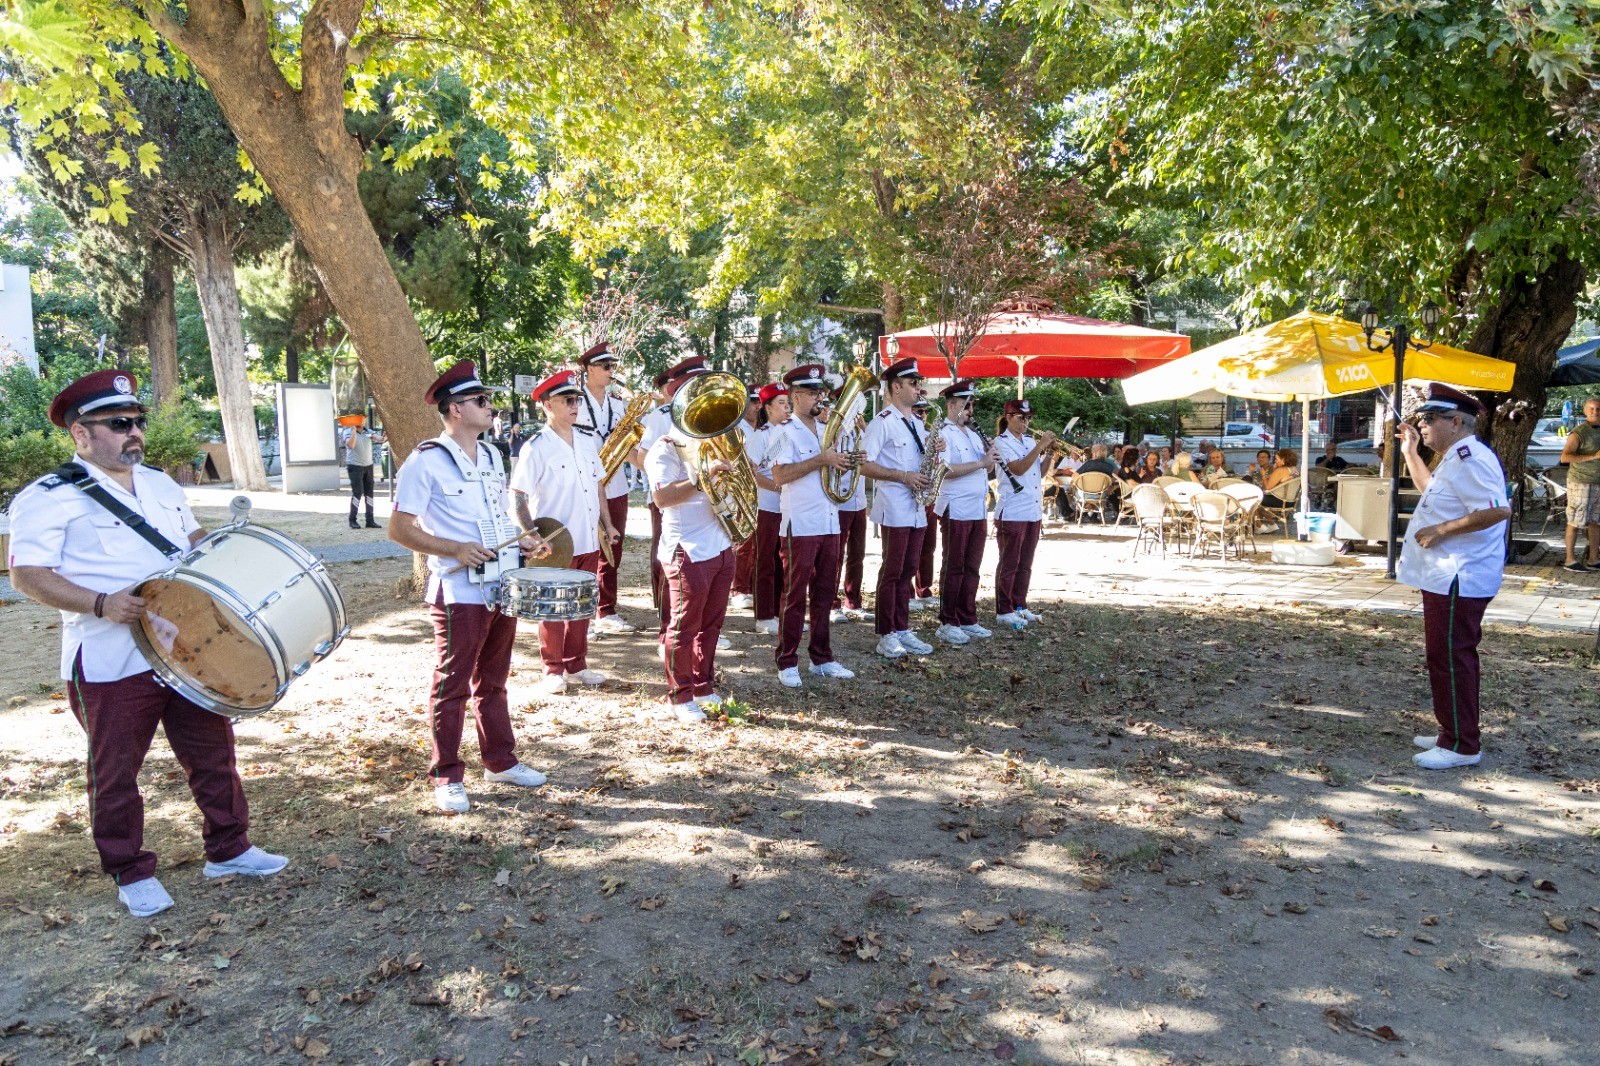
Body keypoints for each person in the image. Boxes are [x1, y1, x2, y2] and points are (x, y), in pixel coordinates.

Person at [9, 370, 288, 917]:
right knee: (116, 770)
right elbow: (26, 574)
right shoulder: (48, 497)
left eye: (138, 422)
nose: (134, 433)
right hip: (110, 656)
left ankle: (228, 849)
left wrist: (223, 546)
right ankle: (129, 870)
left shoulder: (160, 484)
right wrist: (99, 602)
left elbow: (187, 542)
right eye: (119, 424)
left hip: (184, 647)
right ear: (81, 435)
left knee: (213, 751)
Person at [389, 360, 551, 814]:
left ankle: (500, 761)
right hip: (459, 591)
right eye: (482, 400)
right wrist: (454, 549)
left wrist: (525, 541)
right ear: (455, 409)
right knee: (452, 684)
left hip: (501, 583)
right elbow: (399, 530)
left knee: (494, 679)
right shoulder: (425, 460)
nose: (491, 406)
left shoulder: (494, 455)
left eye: (489, 399)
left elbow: (496, 518)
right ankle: (446, 775)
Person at [1395, 384, 1512, 770]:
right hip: (1445, 575)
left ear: (1456, 421)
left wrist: (1443, 530)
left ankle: (1462, 744)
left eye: (1429, 419)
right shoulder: (1455, 457)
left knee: (1450, 656)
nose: (1422, 424)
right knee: (1442, 655)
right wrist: (1411, 453)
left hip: (1459, 575)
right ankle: (1452, 729)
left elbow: (1497, 510)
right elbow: (1431, 490)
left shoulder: (1471, 457)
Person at [510, 369, 620, 695]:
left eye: (576, 399)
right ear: (546, 404)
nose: (575, 405)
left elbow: (598, 486)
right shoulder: (536, 447)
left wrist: (608, 524)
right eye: (567, 400)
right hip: (555, 543)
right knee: (554, 607)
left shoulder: (588, 441)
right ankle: (553, 669)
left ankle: (577, 664)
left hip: (587, 539)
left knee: (582, 605)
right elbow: (517, 495)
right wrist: (531, 534)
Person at [646, 391, 738, 722]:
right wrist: (702, 478)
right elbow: (662, 497)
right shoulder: (665, 448)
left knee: (711, 625)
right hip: (687, 548)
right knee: (684, 627)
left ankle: (702, 686)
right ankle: (679, 695)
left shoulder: (713, 446)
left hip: (720, 545)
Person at [770, 364, 855, 687]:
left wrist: (848, 463)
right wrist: (821, 460)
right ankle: (787, 660)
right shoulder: (783, 431)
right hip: (801, 523)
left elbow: (832, 474)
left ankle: (822, 657)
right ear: (794, 396)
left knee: (824, 594)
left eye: (820, 392)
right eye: (812, 392)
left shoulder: (825, 430)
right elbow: (780, 476)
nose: (820, 397)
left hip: (829, 520)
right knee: (794, 594)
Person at [859, 357, 941, 658]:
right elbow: (864, 464)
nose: (918, 388)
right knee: (892, 571)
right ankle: (886, 633)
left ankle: (902, 627)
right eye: (913, 383)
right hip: (895, 504)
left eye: (918, 383)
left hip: (917, 505)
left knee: (908, 569)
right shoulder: (883, 421)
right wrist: (902, 476)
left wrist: (936, 450)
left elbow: (923, 459)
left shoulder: (918, 422)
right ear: (896, 386)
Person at [574, 342, 638, 635]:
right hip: (584, 484)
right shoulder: (574, 401)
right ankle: (583, 613)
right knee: (586, 548)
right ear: (588, 369)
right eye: (606, 367)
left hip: (615, 484)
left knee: (614, 546)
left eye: (613, 366)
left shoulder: (618, 404)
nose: (612, 372)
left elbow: (629, 446)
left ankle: (606, 609)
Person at [932, 380, 996, 646]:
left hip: (977, 507)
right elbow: (945, 470)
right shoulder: (943, 434)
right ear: (951, 405)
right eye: (966, 405)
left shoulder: (971, 434)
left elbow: (986, 471)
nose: (971, 410)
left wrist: (990, 457)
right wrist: (982, 461)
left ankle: (967, 616)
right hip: (955, 506)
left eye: (972, 405)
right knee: (954, 565)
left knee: (973, 565)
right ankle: (948, 621)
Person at [993, 399, 1052, 629]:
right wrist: (1040, 447)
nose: (1026, 422)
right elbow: (1017, 469)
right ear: (1008, 417)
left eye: (1028, 418)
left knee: (1026, 563)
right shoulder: (1001, 441)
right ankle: (1003, 609)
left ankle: (1019, 604)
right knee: (1009, 562)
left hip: (1032, 509)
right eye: (1021, 417)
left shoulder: (1029, 440)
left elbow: (1039, 473)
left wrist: (1050, 455)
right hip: (1013, 510)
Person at [820, 393, 870, 623]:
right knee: (835, 556)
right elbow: (829, 468)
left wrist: (865, 431)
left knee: (857, 555)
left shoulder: (860, 430)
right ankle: (831, 604)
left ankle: (854, 601)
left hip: (858, 501)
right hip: (838, 500)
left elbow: (873, 460)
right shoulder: (831, 431)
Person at [747, 383, 791, 635]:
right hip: (767, 505)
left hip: (788, 506)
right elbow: (752, 472)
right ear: (767, 408)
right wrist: (778, 487)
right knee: (765, 559)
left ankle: (779, 611)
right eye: (781, 404)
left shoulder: (790, 431)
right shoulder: (760, 435)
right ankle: (764, 615)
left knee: (783, 561)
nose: (787, 408)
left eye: (788, 403)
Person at [730, 384, 762, 610]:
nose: (756, 406)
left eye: (759, 402)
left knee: (757, 544)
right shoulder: (736, 427)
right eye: (752, 402)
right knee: (743, 542)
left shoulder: (761, 428)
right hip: (740, 489)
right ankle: (738, 588)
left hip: (761, 490)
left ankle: (750, 585)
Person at [1559, 397, 1600, 572]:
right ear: (1585, 411)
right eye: (1591, 409)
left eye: (1598, 409)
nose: (1595, 412)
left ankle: (1593, 559)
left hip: (1598, 484)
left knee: (1596, 522)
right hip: (1581, 483)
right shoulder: (1578, 433)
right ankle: (1569, 560)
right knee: (1575, 521)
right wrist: (1593, 456)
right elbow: (1565, 457)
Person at [912, 395, 940, 609]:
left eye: (924, 412)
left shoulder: (930, 434)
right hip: (911, 495)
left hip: (930, 496)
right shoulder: (907, 432)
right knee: (910, 548)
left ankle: (924, 589)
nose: (923, 416)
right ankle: (908, 593)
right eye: (918, 412)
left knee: (928, 546)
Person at [340, 415, 387, 530]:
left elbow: (380, 439)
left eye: (363, 419)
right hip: (355, 467)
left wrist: (385, 437)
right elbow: (350, 445)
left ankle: (370, 520)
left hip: (368, 466)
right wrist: (354, 431)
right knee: (357, 493)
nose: (362, 421)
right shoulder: (348, 432)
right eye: (359, 419)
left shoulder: (368, 431)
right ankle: (352, 520)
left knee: (369, 493)